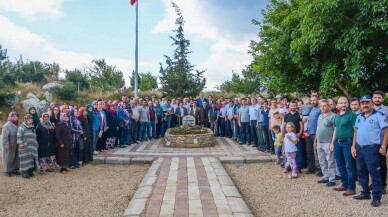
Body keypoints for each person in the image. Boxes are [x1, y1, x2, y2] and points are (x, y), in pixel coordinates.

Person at [351, 95, 388, 207]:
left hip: (372, 149)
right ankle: (365, 192)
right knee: (361, 171)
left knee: (374, 172)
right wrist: (353, 146)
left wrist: (383, 146)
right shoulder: (359, 117)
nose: (365, 105)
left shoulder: (378, 115)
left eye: (367, 103)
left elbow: (386, 131)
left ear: (371, 103)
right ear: (361, 105)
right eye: (363, 103)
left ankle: (376, 197)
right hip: (359, 148)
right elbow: (355, 132)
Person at [331, 96, 357, 196]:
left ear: (348, 104)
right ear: (338, 104)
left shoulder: (352, 115)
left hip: (348, 143)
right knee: (340, 165)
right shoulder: (336, 116)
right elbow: (335, 130)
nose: (343, 105)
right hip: (338, 143)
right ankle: (344, 184)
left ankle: (351, 188)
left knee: (349, 166)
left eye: (345, 103)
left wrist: (353, 146)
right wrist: (332, 143)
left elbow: (355, 130)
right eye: (341, 103)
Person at [314, 100, 336, 187]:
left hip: (328, 142)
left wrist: (332, 143)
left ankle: (332, 179)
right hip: (319, 142)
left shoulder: (333, 116)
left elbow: (335, 130)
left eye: (324, 106)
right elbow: (317, 129)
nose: (322, 108)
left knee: (330, 161)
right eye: (321, 106)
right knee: (322, 161)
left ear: (329, 106)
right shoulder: (320, 116)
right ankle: (326, 176)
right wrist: (315, 141)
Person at [372, 90, 388, 194]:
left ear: (383, 99)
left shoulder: (387, 110)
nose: (377, 99)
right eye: (375, 97)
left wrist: (384, 145)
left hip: (383, 141)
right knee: (372, 163)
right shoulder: (368, 108)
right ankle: (374, 183)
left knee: (382, 164)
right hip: (372, 141)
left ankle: (383, 185)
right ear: (372, 98)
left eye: (379, 98)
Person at [283, 100, 304, 172]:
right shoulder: (287, 115)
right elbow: (285, 125)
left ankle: (298, 168)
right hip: (289, 138)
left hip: (297, 137)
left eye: (294, 106)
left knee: (298, 152)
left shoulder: (299, 115)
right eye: (291, 106)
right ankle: (290, 166)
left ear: (296, 106)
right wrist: (283, 135)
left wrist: (299, 133)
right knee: (289, 152)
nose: (293, 107)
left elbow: (301, 125)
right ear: (289, 106)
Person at [17, 114, 39, 179]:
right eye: (28, 119)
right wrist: (20, 143)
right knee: (25, 159)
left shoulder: (32, 126)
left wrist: (36, 141)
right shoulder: (21, 127)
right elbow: (19, 136)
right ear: (25, 120)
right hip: (24, 145)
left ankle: (30, 171)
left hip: (32, 145)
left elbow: (35, 135)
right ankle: (25, 173)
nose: (30, 120)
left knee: (31, 158)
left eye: (31, 119)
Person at [305, 96, 321, 174]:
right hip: (308, 133)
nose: (312, 102)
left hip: (315, 133)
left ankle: (322, 169)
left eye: (314, 100)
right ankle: (311, 168)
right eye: (311, 100)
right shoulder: (311, 109)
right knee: (309, 151)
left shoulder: (320, 109)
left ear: (317, 100)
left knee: (318, 151)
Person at [2, 112, 20, 177]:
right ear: (10, 117)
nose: (15, 117)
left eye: (16, 116)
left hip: (16, 143)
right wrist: (6, 146)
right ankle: (7, 170)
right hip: (10, 144)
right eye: (13, 116)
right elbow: (4, 137)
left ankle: (14, 169)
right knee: (8, 157)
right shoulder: (7, 125)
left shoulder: (18, 124)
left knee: (16, 157)